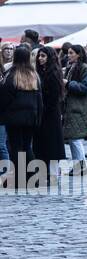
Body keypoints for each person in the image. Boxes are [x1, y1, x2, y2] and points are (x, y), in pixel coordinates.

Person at [0, 45, 43, 176]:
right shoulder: (34, 75)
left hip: (14, 118)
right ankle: (33, 177)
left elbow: (4, 98)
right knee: (27, 146)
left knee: (16, 147)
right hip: (31, 117)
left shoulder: (12, 75)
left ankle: (19, 178)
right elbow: (39, 99)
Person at [62, 45, 87, 176]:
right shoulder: (72, 68)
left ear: (78, 54)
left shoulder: (85, 69)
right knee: (72, 138)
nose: (68, 55)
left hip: (79, 107)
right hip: (72, 106)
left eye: (71, 53)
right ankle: (78, 166)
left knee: (75, 138)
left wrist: (68, 84)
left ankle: (81, 166)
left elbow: (85, 87)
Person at [33, 45, 65, 176]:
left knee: (51, 145)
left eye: (43, 56)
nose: (40, 58)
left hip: (50, 115)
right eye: (39, 56)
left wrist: (43, 109)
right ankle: (44, 172)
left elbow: (53, 97)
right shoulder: (40, 72)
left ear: (49, 57)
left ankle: (52, 174)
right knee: (42, 144)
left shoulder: (53, 74)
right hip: (42, 114)